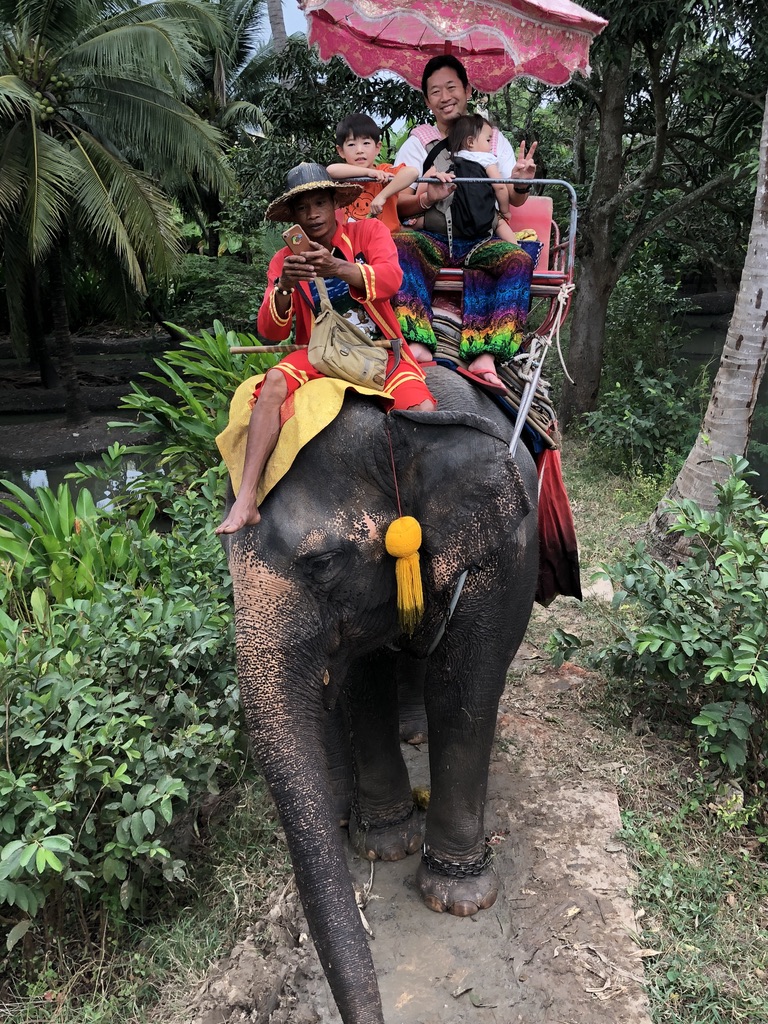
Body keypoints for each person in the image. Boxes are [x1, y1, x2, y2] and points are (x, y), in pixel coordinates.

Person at [216, 163, 436, 534]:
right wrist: (284, 286)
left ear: (336, 203)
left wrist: (338, 267)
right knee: (272, 383)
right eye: (303, 208)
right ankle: (247, 500)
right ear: (293, 216)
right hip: (322, 352)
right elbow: (270, 331)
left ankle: (426, 507)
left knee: (424, 409)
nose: (313, 214)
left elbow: (391, 279)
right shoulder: (283, 259)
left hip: (380, 349)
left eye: (320, 203)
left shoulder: (369, 231)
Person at [392, 55, 538, 390]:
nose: (445, 96)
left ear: (468, 89)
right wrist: (427, 195)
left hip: (482, 242)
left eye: (451, 87)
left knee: (517, 260)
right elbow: (399, 204)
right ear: (427, 100)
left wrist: (521, 180)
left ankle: (487, 353)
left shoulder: (493, 140)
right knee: (401, 244)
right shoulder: (419, 144)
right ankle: (419, 340)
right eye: (435, 91)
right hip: (435, 239)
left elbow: (513, 199)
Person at [408, 113, 518, 245]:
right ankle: (516, 245)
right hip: (482, 216)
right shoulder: (487, 159)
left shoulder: (453, 157)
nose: (490, 146)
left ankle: (409, 227)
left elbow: (430, 179)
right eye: (488, 140)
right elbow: (500, 186)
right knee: (500, 223)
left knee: (426, 220)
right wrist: (505, 211)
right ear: (470, 142)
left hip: (451, 218)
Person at [326, 112, 420, 233]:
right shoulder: (343, 175)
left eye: (366, 143)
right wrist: (368, 172)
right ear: (341, 151)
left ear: (377, 147)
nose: (359, 150)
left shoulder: (384, 172)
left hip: (388, 241)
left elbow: (412, 172)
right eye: (351, 145)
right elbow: (331, 170)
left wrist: (382, 196)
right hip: (352, 242)